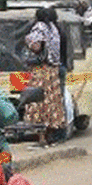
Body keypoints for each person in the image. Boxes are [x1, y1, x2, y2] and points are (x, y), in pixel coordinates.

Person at [23, 8, 65, 147]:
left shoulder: (39, 27)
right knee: (51, 103)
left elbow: (36, 46)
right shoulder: (54, 28)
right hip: (53, 71)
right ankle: (50, 137)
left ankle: (41, 139)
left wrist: (28, 41)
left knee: (38, 102)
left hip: (41, 70)